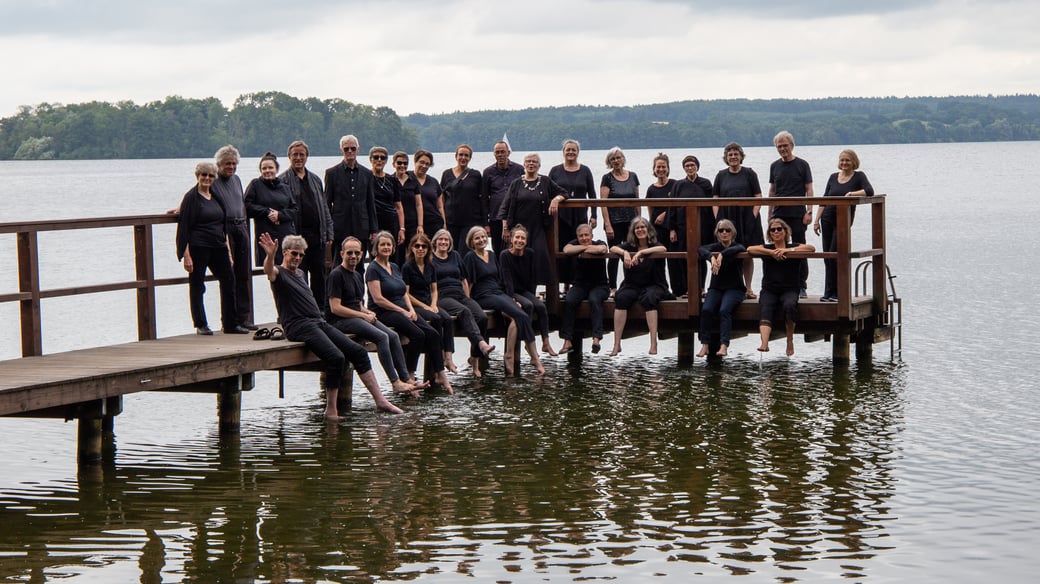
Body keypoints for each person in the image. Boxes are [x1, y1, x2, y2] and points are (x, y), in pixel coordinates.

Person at [259, 232, 402, 418]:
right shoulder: (279, 273)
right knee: (336, 357)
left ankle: (381, 401)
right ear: (285, 252)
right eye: (294, 253)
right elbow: (269, 271)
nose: (297, 258)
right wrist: (270, 255)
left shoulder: (300, 273)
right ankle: (331, 410)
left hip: (318, 321)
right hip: (299, 326)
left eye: (301, 255)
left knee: (358, 352)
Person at [327, 237, 424, 397]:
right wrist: (362, 316)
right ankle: (395, 382)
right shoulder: (336, 275)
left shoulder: (357, 275)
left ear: (361, 254)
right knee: (381, 337)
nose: (353, 256)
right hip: (339, 321)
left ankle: (406, 379)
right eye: (349, 253)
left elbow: (357, 304)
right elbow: (335, 308)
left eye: (357, 253)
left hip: (356, 317)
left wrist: (366, 312)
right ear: (342, 253)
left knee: (392, 336)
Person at [366, 231, 453, 393]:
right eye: (382, 244)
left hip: (403, 309)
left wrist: (411, 310)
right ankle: (410, 375)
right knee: (418, 335)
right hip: (385, 312)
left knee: (433, 334)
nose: (386, 247)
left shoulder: (394, 266)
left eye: (389, 244)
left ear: (393, 248)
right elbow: (378, 299)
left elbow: (404, 293)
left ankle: (440, 374)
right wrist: (403, 311)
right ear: (376, 248)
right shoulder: (373, 269)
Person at [176, 162, 249, 335]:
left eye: (210, 176)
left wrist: (229, 251)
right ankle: (201, 324)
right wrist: (186, 255)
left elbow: (223, 226)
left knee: (229, 281)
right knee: (197, 285)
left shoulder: (216, 196)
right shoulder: (191, 198)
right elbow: (184, 228)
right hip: (198, 246)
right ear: (198, 177)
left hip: (219, 246)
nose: (207, 179)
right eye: (204, 175)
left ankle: (231, 324)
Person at [462, 226, 545, 375]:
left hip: (498, 292)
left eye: (483, 237)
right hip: (483, 295)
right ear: (472, 242)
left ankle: (511, 354)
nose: (481, 240)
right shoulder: (470, 257)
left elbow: (501, 279)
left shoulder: (492, 254)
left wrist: (511, 298)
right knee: (522, 315)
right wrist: (468, 302)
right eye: (477, 238)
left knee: (517, 317)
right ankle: (528, 357)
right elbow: (468, 282)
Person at [430, 229, 495, 377]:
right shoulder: (431, 259)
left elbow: (464, 280)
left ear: (450, 243)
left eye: (446, 240)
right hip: (443, 297)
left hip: (460, 295)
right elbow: (429, 284)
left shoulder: (456, 256)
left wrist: (467, 298)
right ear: (435, 242)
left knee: (482, 317)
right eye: (441, 239)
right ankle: (482, 344)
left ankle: (474, 358)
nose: (444, 242)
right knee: (464, 312)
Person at [748, 218, 816, 356]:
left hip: (790, 288)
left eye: (779, 229)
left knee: (789, 306)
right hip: (769, 289)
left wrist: (788, 250)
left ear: (785, 231)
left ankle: (789, 340)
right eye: (773, 230)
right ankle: (764, 343)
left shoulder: (794, 247)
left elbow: (811, 248)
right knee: (766, 307)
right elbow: (750, 249)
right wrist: (771, 253)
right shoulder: (767, 249)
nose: (776, 231)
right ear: (770, 234)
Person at [813, 149, 874, 302]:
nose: (844, 163)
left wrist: (852, 194)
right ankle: (828, 293)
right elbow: (824, 199)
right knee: (827, 256)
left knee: (836, 255)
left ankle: (837, 293)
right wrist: (816, 220)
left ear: (854, 161)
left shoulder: (859, 176)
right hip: (826, 218)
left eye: (847, 160)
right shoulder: (833, 177)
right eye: (842, 160)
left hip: (842, 220)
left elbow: (869, 191)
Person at [280, 140, 334, 308]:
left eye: (301, 154)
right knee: (297, 277)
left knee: (319, 276)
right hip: (296, 239)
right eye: (295, 155)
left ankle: (320, 310)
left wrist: (329, 233)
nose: (298, 158)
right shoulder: (283, 180)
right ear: (289, 157)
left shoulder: (315, 179)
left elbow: (325, 208)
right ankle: (301, 311)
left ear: (306, 157)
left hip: (317, 237)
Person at [500, 153, 567, 287]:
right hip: (518, 229)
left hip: (538, 229)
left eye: (534, 162)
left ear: (539, 165)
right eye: (528, 161)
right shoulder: (516, 183)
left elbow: (563, 193)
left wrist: (555, 199)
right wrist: (505, 228)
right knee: (517, 259)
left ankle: (534, 292)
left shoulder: (545, 181)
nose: (531, 164)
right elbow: (505, 207)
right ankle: (516, 291)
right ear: (524, 165)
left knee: (538, 260)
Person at [609, 217, 668, 356]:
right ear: (633, 231)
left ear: (648, 230)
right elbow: (612, 247)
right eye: (637, 228)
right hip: (632, 285)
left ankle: (653, 343)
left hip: (654, 284)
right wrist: (625, 253)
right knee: (621, 298)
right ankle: (617, 344)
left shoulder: (654, 244)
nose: (640, 230)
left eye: (643, 227)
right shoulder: (629, 246)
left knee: (649, 298)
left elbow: (663, 248)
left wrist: (641, 252)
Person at [211, 145, 255, 329]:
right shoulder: (212, 180)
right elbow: (198, 197)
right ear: (219, 165)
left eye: (234, 164)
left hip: (241, 226)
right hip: (226, 228)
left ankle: (244, 317)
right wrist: (182, 209)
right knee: (229, 275)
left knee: (243, 274)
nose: (231, 167)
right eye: (227, 164)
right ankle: (229, 320)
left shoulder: (236, 180)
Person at [402, 233, 458, 374]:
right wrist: (425, 306)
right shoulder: (407, 267)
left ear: (428, 249)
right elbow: (406, 294)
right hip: (415, 305)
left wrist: (433, 304)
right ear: (412, 248)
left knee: (447, 319)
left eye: (423, 246)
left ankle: (448, 357)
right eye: (417, 246)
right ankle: (437, 360)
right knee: (436, 319)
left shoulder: (430, 266)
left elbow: (434, 290)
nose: (420, 249)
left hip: (429, 303)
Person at [713, 142, 764, 298]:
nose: (733, 157)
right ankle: (734, 287)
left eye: (736, 154)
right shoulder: (721, 175)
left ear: (741, 156)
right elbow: (715, 198)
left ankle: (748, 288)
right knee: (729, 252)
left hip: (747, 219)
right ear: (726, 158)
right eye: (730, 155)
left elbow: (758, 196)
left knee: (747, 253)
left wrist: (753, 216)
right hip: (726, 220)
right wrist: (718, 219)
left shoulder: (749, 173)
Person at [499, 225, 558, 355]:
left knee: (541, 307)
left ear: (526, 241)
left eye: (523, 238)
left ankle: (546, 343)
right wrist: (511, 299)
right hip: (510, 291)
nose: (519, 241)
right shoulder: (505, 255)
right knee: (528, 305)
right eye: (517, 237)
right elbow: (507, 280)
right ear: (512, 239)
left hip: (524, 291)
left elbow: (533, 277)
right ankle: (528, 342)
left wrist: (532, 294)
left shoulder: (530, 253)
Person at [768, 131, 814, 297]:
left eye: (785, 145)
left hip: (797, 214)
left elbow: (809, 189)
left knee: (799, 248)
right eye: (779, 146)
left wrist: (809, 211)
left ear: (792, 146)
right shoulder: (774, 166)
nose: (782, 149)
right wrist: (769, 215)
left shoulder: (802, 165)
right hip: (779, 214)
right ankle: (780, 284)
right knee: (777, 249)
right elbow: (772, 191)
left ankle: (801, 285)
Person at [548, 139, 597, 288]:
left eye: (573, 150)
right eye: (568, 150)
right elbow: (549, 192)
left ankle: (579, 282)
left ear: (578, 152)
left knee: (579, 247)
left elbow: (592, 194)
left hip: (580, 216)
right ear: (563, 152)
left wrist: (594, 215)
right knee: (563, 249)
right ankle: (563, 284)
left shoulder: (585, 170)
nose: (570, 152)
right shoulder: (555, 170)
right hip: (561, 218)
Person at [697, 219, 747, 358]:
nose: (724, 233)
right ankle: (705, 344)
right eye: (721, 230)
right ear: (717, 234)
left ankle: (724, 345)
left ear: (732, 233)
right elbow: (701, 249)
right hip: (716, 288)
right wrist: (711, 258)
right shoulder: (714, 247)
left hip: (735, 289)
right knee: (706, 310)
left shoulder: (737, 246)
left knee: (724, 310)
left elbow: (742, 249)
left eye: (727, 230)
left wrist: (722, 254)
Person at [558, 224, 610, 355]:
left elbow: (602, 249)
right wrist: (586, 248)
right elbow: (567, 250)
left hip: (600, 285)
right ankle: (567, 340)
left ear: (592, 236)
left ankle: (596, 339)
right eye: (581, 236)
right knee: (569, 301)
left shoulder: (599, 242)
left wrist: (582, 250)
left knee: (594, 300)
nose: (584, 238)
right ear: (577, 237)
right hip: (580, 285)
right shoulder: (574, 244)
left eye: (586, 235)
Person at [668, 155, 714, 296]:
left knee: (702, 256)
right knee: (685, 257)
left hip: (704, 226)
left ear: (697, 167)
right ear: (684, 168)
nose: (690, 168)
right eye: (687, 166)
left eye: (692, 165)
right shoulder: (678, 185)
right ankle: (689, 288)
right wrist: (672, 229)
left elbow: (713, 206)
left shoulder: (706, 184)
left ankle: (701, 288)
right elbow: (672, 207)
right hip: (683, 227)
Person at [325, 134, 378, 259]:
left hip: (362, 227)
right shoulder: (332, 173)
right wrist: (328, 230)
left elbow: (370, 203)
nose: (350, 151)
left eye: (353, 148)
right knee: (338, 262)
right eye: (346, 149)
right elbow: (326, 203)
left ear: (358, 150)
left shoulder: (367, 174)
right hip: (339, 227)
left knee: (359, 265)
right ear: (341, 150)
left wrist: (374, 230)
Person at [244, 152, 297, 267]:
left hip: (285, 234)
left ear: (277, 169)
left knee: (288, 269)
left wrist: (280, 215)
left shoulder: (285, 188)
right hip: (266, 235)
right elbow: (247, 206)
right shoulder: (255, 185)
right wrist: (267, 212)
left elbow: (295, 210)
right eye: (264, 168)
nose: (267, 170)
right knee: (270, 270)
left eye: (270, 168)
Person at [600, 147, 641, 293]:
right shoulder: (607, 178)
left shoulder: (633, 176)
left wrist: (639, 221)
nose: (616, 161)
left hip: (631, 223)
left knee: (632, 252)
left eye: (618, 158)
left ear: (623, 159)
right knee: (614, 255)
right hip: (614, 222)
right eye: (613, 159)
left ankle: (632, 284)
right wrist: (607, 224)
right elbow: (603, 203)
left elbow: (637, 200)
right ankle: (612, 287)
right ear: (609, 162)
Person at [645, 153, 682, 296]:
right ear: (654, 169)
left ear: (668, 168)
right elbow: (649, 208)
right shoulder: (651, 189)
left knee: (674, 260)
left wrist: (665, 213)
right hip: (656, 229)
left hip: (671, 227)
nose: (661, 169)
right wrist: (650, 227)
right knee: (658, 260)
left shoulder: (675, 184)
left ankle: (678, 291)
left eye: (663, 167)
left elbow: (678, 205)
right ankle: (662, 288)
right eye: (658, 167)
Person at [482, 140, 524, 252]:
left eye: (502, 152)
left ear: (508, 153)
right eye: (497, 152)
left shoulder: (519, 169)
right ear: (494, 154)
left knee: (517, 247)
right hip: (496, 217)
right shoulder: (488, 172)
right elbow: (484, 199)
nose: (500, 155)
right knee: (497, 249)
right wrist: (486, 224)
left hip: (515, 216)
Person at [440, 144, 485, 249]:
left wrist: (484, 222)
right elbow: (441, 198)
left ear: (470, 158)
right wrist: (443, 220)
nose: (463, 158)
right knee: (451, 250)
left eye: (466, 155)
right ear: (456, 156)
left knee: (465, 251)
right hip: (451, 221)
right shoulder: (446, 174)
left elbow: (482, 198)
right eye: (461, 155)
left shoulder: (476, 175)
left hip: (470, 221)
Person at [370, 146, 405, 257]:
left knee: (393, 255)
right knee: (375, 255)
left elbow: (399, 206)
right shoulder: (366, 178)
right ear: (371, 159)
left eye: (383, 158)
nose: (379, 160)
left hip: (391, 222)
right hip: (374, 223)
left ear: (386, 161)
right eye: (376, 157)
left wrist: (402, 229)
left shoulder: (392, 180)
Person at [393, 150, 423, 264]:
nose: (402, 166)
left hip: (412, 223)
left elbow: (419, 204)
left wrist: (420, 225)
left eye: (405, 163)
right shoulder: (391, 180)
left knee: (414, 254)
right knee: (398, 255)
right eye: (399, 163)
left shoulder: (413, 180)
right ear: (394, 164)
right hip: (397, 224)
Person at [412, 149, 444, 236]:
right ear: (415, 161)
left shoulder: (433, 181)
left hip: (434, 224)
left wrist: (444, 225)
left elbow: (440, 206)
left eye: (427, 164)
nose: (424, 166)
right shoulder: (407, 178)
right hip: (414, 224)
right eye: (421, 162)